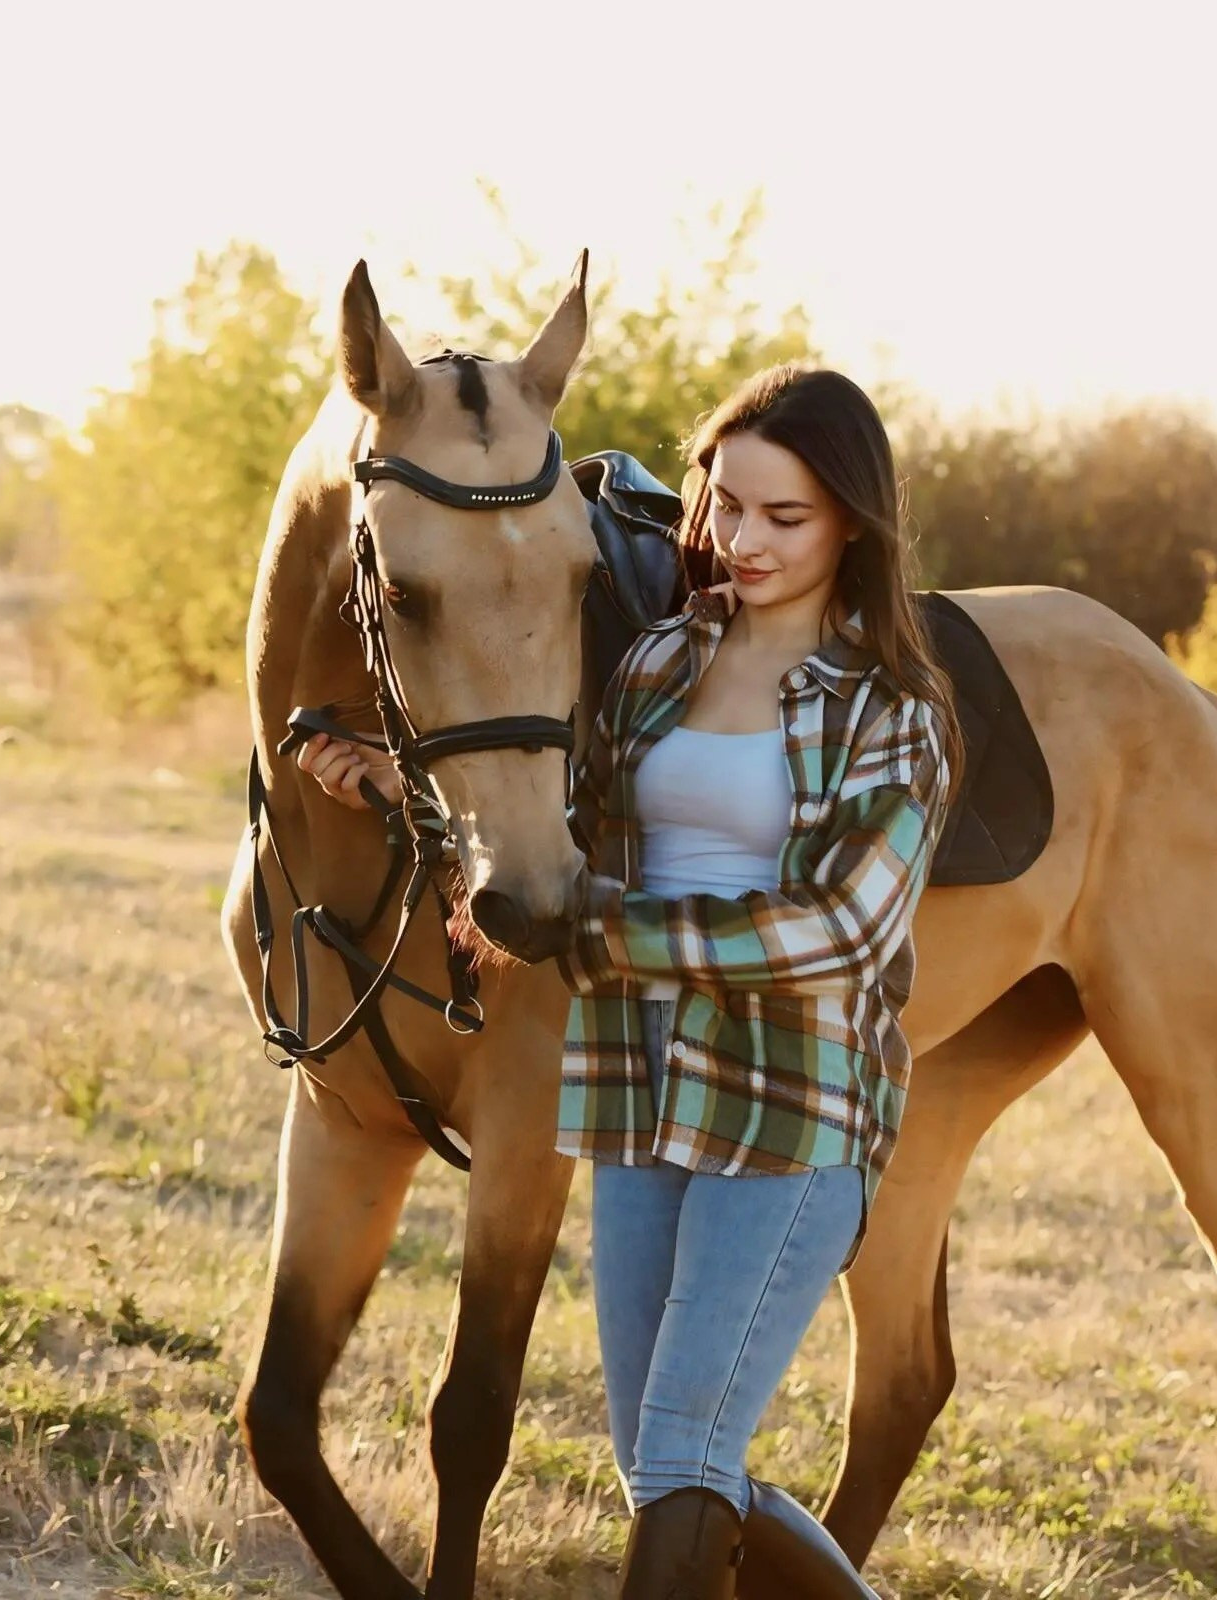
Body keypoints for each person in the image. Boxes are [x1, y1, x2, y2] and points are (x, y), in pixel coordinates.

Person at [299, 365, 959, 1600]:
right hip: (636, 1097)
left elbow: (837, 934)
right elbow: (556, 835)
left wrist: (607, 929)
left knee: (683, 1450)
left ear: (853, 525)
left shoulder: (891, 708)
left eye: (787, 517)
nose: (744, 541)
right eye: (727, 506)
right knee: (662, 1469)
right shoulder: (655, 664)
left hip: (793, 1105)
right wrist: (402, 789)